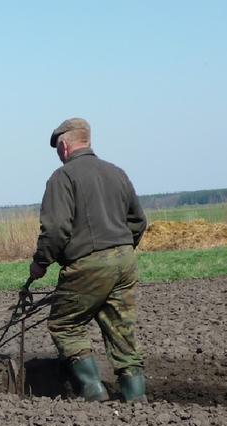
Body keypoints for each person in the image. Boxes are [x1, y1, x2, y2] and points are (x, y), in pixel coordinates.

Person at [29, 118, 148, 402]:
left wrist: (41, 263)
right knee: (120, 329)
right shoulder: (116, 172)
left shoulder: (63, 177)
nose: (58, 154)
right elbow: (138, 221)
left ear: (65, 145)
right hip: (125, 260)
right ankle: (136, 397)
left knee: (65, 324)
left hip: (90, 263)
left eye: (58, 149)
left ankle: (93, 390)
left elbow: (56, 229)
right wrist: (120, 249)